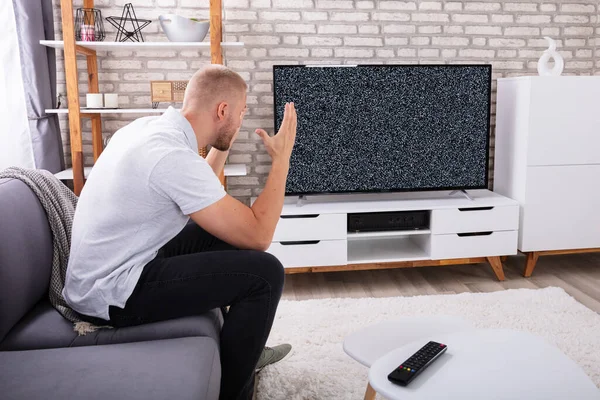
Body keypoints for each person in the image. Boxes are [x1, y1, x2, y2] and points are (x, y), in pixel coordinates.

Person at [63, 65, 297, 400]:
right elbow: (259, 235)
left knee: (223, 236)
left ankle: (247, 346)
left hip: (107, 273)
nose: (243, 118)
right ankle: (234, 391)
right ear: (222, 110)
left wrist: (225, 139)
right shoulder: (169, 155)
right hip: (112, 294)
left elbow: (198, 183)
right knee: (265, 274)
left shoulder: (149, 131)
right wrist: (282, 160)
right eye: (241, 111)